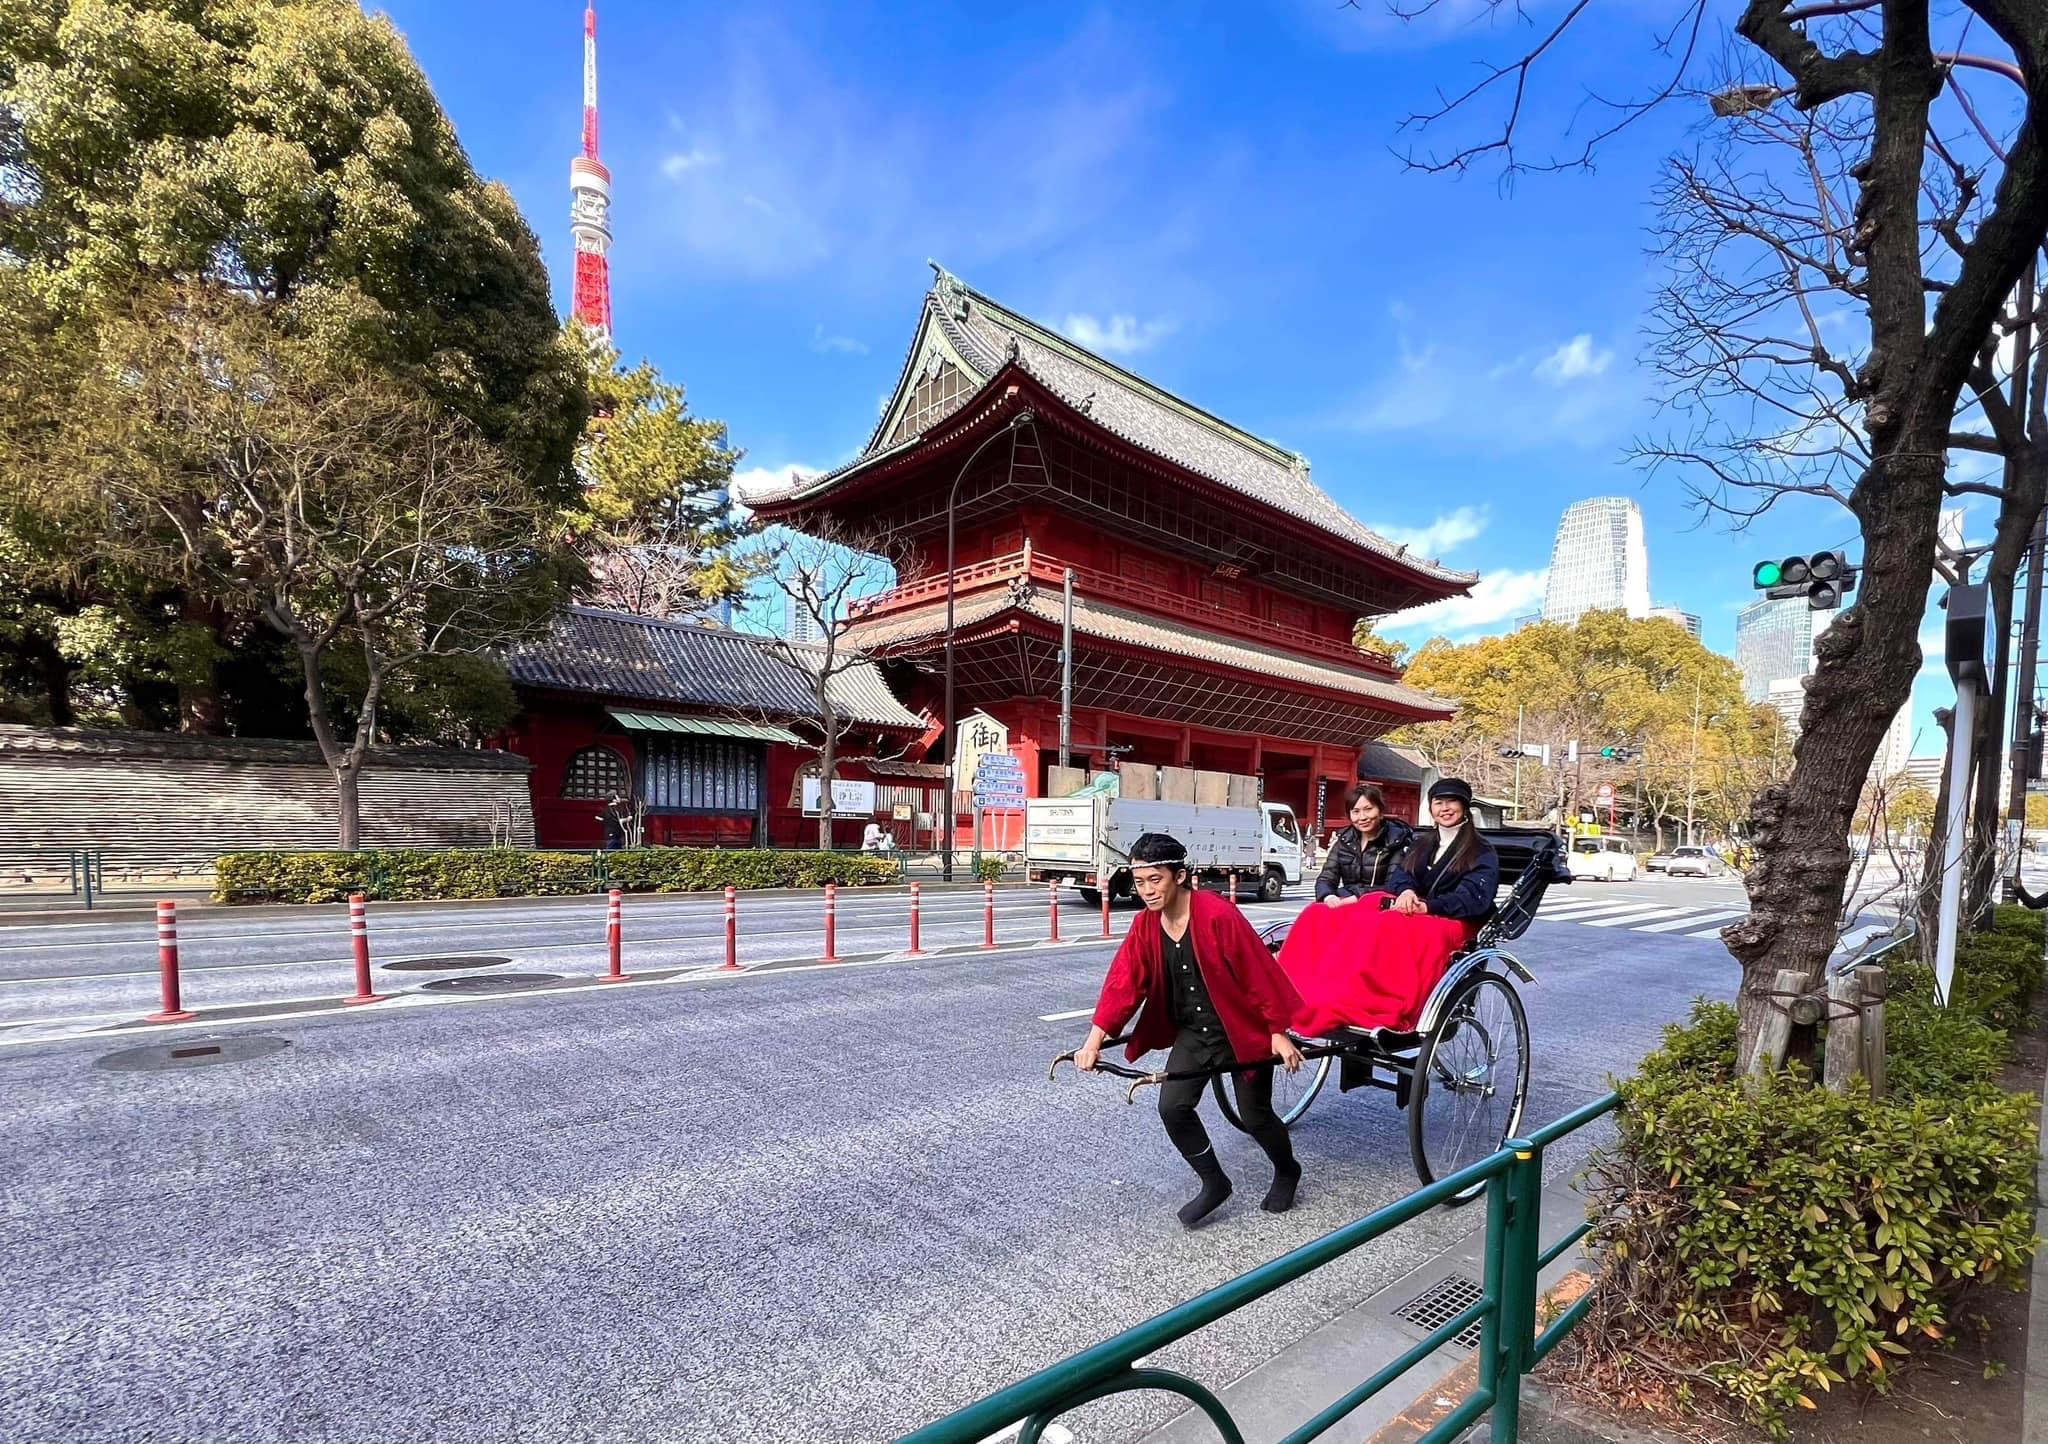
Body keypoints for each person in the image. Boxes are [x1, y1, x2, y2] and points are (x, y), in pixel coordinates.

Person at [1073, 832, 1308, 1226]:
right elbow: (1123, 982)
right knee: (1172, 1107)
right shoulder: (1146, 924)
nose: (1147, 891)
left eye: (1155, 880)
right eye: (1140, 881)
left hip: (1241, 1028)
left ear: (1179, 876)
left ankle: (1287, 1169)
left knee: (1254, 1115)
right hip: (1195, 1032)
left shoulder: (1217, 914)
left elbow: (1257, 973)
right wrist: (1093, 1042)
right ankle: (1214, 1182)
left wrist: (1277, 1031)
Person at [1281, 778, 1501, 1036]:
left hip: (1454, 920)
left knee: (1382, 923)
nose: (1445, 808)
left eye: (1451, 802)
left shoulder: (1480, 850)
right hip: (1417, 909)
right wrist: (1406, 891)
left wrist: (1427, 906)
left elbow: (1474, 897)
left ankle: (1357, 997)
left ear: (1464, 806)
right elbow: (1401, 877)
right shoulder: (1424, 843)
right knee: (1325, 913)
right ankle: (1299, 989)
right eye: (1438, 803)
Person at [1315, 784, 1414, 907]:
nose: (1362, 817)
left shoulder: (1397, 840)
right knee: (1313, 912)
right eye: (1356, 811)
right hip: (1346, 900)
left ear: (1380, 811)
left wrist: (1357, 897)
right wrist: (1328, 896)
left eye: (1368, 809)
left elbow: (1394, 884)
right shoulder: (1344, 840)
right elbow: (1326, 877)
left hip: (1379, 903)